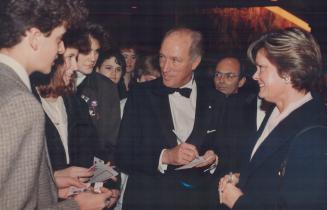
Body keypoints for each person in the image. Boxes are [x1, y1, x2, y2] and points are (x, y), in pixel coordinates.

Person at [0, 0, 112, 209]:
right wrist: (77, 206)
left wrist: (53, 181)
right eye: (59, 39)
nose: (60, 48)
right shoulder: (19, 102)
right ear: (34, 38)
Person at [219, 27, 327, 210]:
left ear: (288, 73)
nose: (255, 76)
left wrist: (238, 202)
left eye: (261, 68)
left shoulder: (315, 134)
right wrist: (243, 178)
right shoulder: (275, 110)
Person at [116, 27, 220, 210]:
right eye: (162, 57)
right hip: (148, 202)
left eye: (175, 60)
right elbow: (123, 155)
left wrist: (215, 160)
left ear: (195, 62)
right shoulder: (140, 95)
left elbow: (231, 152)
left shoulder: (217, 99)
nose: (165, 67)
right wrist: (165, 156)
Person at [75, 23, 121, 163]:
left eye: (96, 51)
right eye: (87, 51)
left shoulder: (106, 88)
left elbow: (111, 137)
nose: (93, 58)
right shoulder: (55, 83)